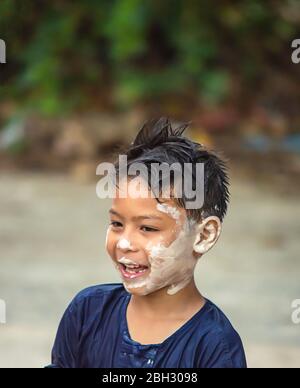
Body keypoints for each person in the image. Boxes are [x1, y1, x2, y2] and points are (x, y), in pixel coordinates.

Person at [50, 117, 247, 368]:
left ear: (204, 235)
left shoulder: (214, 346)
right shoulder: (87, 312)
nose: (124, 243)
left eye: (148, 228)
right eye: (117, 224)